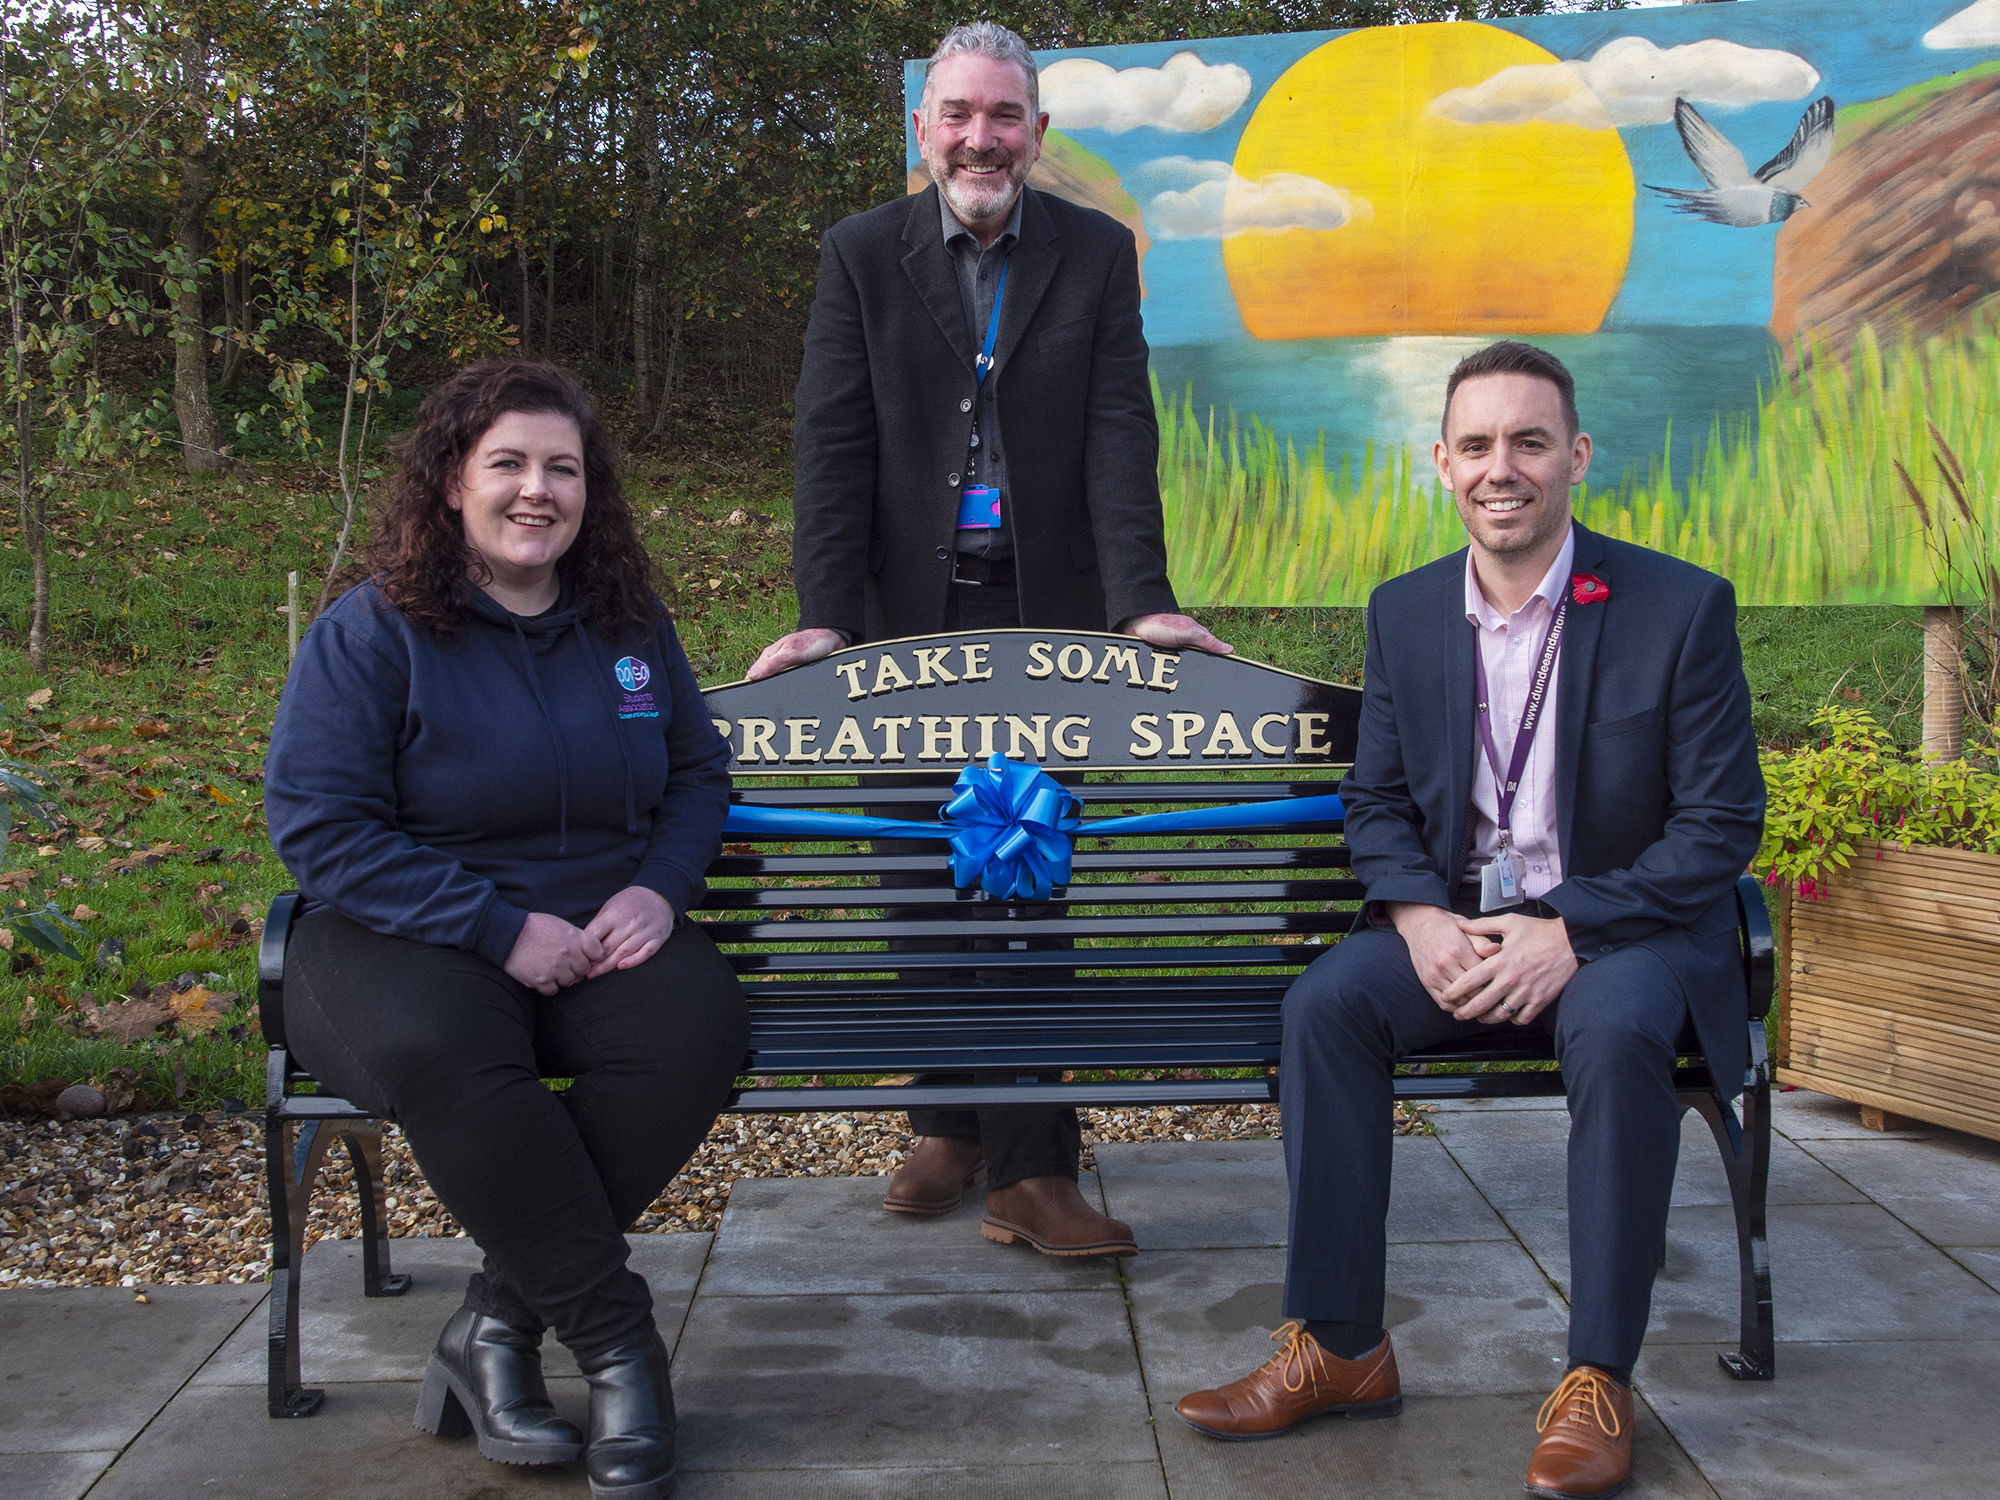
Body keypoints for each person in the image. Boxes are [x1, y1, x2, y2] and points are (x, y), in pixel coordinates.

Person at [1172, 342, 1764, 1500]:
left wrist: (1568, 928)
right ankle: (1340, 1346)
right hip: (1457, 926)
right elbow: (1377, 800)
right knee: (1328, 1004)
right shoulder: (1403, 613)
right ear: (1441, 463)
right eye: (1479, 445)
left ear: (1575, 457)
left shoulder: (1676, 608)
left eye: (1530, 441)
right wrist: (1409, 914)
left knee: (1613, 1027)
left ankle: (1596, 1375)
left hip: (1622, 934)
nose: (1505, 468)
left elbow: (1714, 828)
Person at [744, 21, 1231, 1259]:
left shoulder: (1094, 253)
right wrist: (823, 616)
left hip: (1046, 614)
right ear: (924, 129)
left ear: (1036, 133)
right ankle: (952, 1122)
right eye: (957, 114)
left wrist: (1141, 602)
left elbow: (1120, 431)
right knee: (921, 878)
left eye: (1003, 116)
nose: (980, 136)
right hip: (906, 615)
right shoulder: (859, 255)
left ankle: (1032, 1168)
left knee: (1027, 873)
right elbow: (830, 444)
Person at [266, 360, 745, 1500]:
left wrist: (660, 888)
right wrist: (493, 927)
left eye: (562, 469)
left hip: (594, 931)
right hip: (398, 931)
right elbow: (320, 826)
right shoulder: (373, 631)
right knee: (450, 1052)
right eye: (509, 465)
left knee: (696, 1028)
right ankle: (620, 1345)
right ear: (449, 482)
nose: (538, 491)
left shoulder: (626, 626)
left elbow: (695, 774)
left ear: (592, 493)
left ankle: (492, 1325)